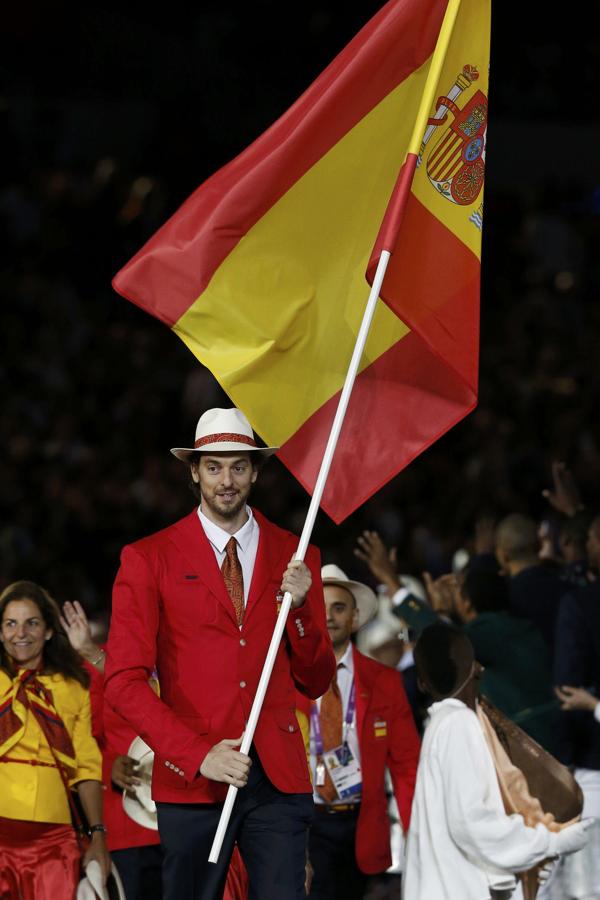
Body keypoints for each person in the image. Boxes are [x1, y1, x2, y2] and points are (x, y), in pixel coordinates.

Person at [104, 407, 336, 900]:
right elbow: (123, 681)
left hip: (276, 776)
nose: (226, 480)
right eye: (214, 467)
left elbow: (316, 681)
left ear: (255, 471)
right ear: (194, 472)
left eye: (237, 466)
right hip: (193, 778)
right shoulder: (148, 558)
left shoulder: (297, 554)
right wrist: (197, 754)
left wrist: (300, 612)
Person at [403, 623, 593, 900]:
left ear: (422, 683)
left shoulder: (440, 724)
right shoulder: (459, 723)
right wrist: (552, 842)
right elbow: (473, 824)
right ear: (477, 668)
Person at [304, 564, 420, 900]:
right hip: (306, 825)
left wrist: (416, 830)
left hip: (362, 824)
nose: (328, 617)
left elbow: (406, 764)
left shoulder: (384, 681)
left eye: (338, 608)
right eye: (320, 609)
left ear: (355, 617)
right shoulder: (285, 678)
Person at [0, 580, 109, 899]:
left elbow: (87, 766)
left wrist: (98, 835)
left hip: (54, 836)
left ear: (48, 631)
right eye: (10, 623)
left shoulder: (74, 686)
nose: (20, 633)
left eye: (31, 623)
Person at [61, 598, 164, 900]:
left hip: (182, 821)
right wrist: (111, 765)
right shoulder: (94, 665)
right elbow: (83, 744)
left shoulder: (185, 663)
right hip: (126, 823)